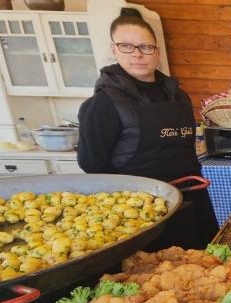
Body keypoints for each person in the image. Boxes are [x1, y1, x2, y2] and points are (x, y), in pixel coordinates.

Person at [78, 8, 218, 247]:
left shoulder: (178, 96)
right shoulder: (103, 104)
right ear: (114, 50)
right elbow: (92, 164)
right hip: (142, 209)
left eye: (145, 47)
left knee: (206, 259)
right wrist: (137, 198)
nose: (138, 55)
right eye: (127, 46)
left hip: (191, 197)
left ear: (157, 51)